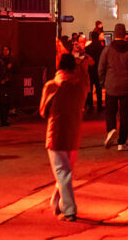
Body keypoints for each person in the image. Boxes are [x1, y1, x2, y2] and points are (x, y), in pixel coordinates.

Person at [41, 52, 89, 222]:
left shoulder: (52, 86)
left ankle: (69, 209)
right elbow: (85, 75)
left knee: (62, 172)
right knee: (66, 172)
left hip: (56, 133)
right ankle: (56, 203)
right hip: (74, 132)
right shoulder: (81, 85)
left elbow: (43, 111)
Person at [102, 23, 128, 150]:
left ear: (114, 34)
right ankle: (122, 142)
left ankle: (111, 130)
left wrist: (103, 83)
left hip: (111, 86)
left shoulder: (107, 50)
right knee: (125, 115)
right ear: (125, 34)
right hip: (127, 87)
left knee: (110, 112)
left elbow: (101, 68)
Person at [0, 44, 17, 127]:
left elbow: (15, 71)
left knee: (7, 103)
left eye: (7, 50)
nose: (5, 51)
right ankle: (3, 120)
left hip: (8, 85)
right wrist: (1, 80)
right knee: (2, 103)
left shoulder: (12, 60)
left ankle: (5, 119)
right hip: (1, 85)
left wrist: (11, 66)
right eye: (4, 50)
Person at [84, 30, 105, 114]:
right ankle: (99, 106)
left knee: (90, 89)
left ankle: (90, 105)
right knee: (99, 88)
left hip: (90, 70)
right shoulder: (101, 48)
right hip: (99, 70)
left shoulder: (87, 48)